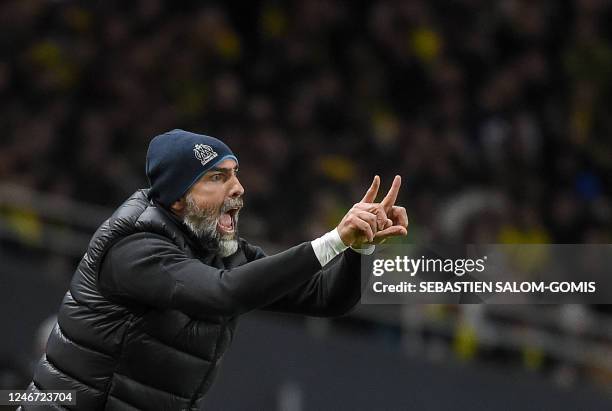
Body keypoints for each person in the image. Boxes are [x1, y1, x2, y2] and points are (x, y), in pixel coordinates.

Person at [22, 129, 408, 410]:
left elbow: (327, 299)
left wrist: (361, 247)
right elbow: (222, 294)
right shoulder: (134, 246)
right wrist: (334, 239)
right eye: (217, 177)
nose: (238, 187)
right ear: (177, 197)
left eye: (236, 174)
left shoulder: (220, 249)